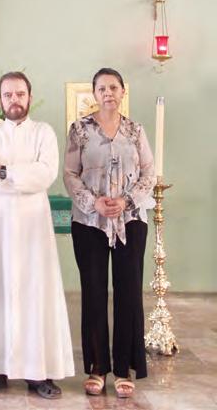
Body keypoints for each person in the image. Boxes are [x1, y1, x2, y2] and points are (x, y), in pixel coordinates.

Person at [0, 72, 74, 399]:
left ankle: (38, 373)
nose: (14, 100)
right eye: (8, 94)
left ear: (29, 96)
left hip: (33, 224)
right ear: (0, 100)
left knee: (35, 292)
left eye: (20, 94)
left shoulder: (44, 132)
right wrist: (12, 177)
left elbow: (46, 175)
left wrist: (4, 171)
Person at [63, 68, 156, 399]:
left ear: (122, 92)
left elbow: (149, 172)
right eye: (102, 88)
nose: (108, 93)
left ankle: (124, 368)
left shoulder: (135, 130)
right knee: (94, 291)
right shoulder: (79, 130)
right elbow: (70, 173)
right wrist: (94, 203)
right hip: (89, 222)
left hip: (130, 220)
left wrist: (126, 201)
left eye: (113, 87)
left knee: (128, 292)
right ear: (94, 94)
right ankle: (98, 366)